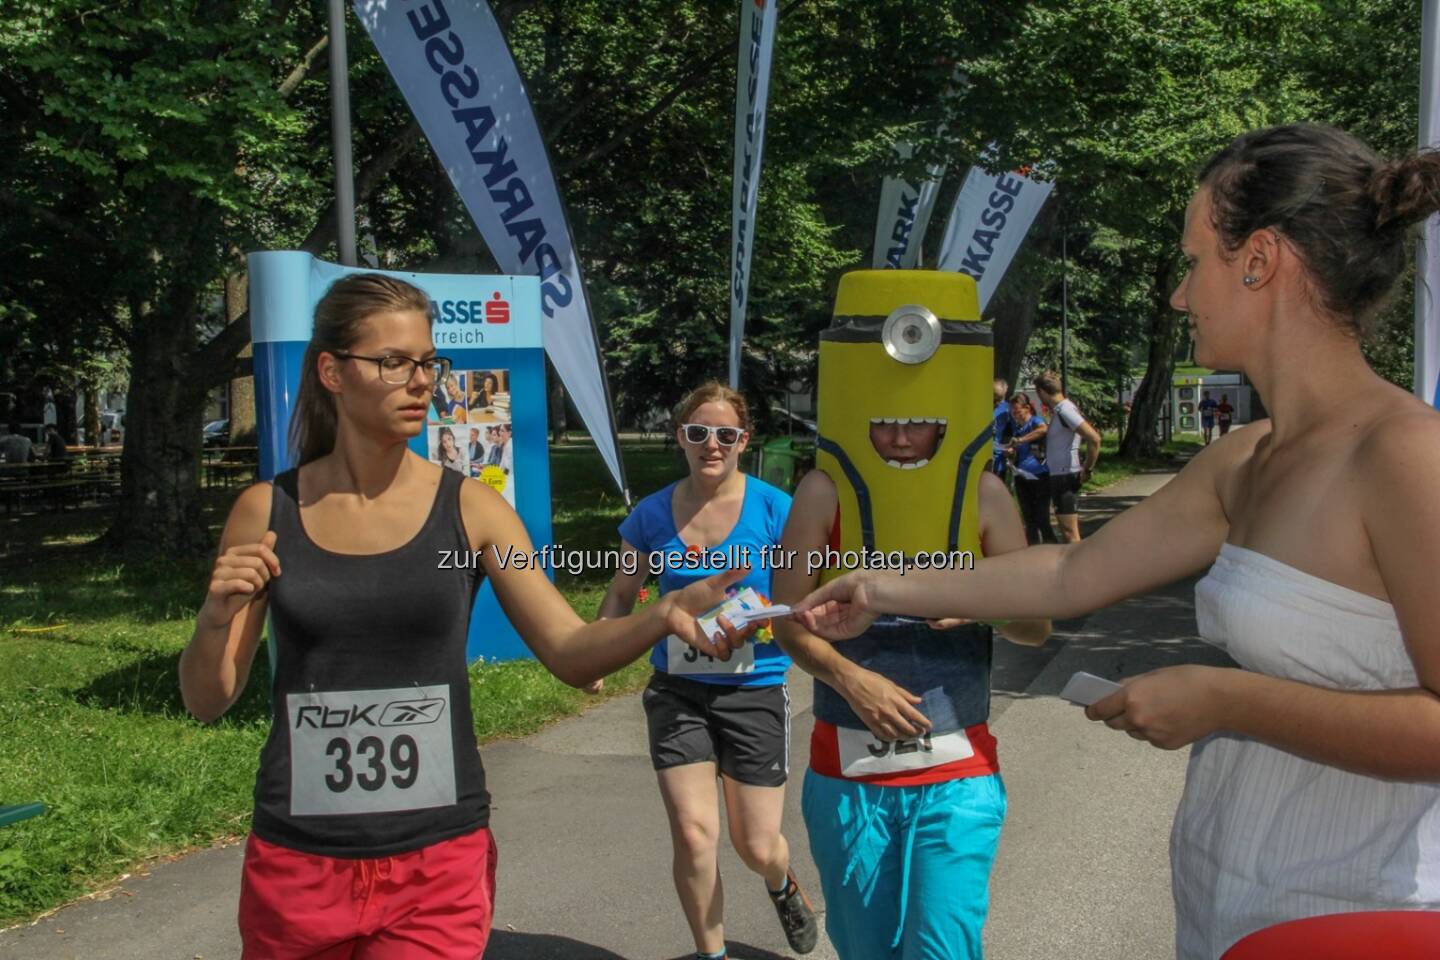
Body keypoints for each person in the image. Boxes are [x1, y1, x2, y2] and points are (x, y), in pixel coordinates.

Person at [791, 123, 1440, 959]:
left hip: (1358, 915)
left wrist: (1226, 700)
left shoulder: (1404, 454)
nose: (1178, 293)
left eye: (1193, 259)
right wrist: (878, 588)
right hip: (1228, 898)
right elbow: (1071, 573)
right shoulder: (1247, 456)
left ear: (1260, 260)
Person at [178, 273, 753, 960]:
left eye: (427, 361)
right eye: (393, 362)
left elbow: (569, 650)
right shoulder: (264, 511)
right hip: (300, 862)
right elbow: (208, 700)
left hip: (436, 863)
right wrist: (215, 618)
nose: (420, 381)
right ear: (332, 370)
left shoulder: (474, 510)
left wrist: (661, 615)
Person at [596, 381, 818, 960]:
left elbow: (808, 593)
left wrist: (773, 621)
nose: (711, 445)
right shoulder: (650, 515)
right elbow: (622, 594)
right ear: (681, 438)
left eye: (725, 434)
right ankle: (711, 954)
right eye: (698, 433)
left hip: (755, 687)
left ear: (743, 440)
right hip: (678, 690)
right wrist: (598, 647)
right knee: (695, 836)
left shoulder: (776, 509)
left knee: (757, 844)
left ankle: (782, 882)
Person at [1034, 372, 1100, 543]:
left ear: (1042, 392)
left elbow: (1094, 438)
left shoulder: (1065, 410)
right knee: (1066, 530)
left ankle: (1079, 568)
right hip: (1058, 474)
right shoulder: (1060, 410)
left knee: (1070, 533)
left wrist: (1088, 468)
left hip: (1065, 475)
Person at [1005, 393, 1056, 544]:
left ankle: (1051, 549)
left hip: (1039, 476)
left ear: (1027, 408)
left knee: (1042, 518)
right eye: (1013, 412)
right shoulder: (1018, 429)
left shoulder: (1035, 421)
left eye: (1017, 411)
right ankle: (1032, 551)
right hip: (1021, 477)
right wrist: (1011, 453)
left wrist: (1021, 440)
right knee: (1029, 520)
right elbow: (1019, 452)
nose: (1015, 415)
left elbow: (1043, 430)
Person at [990, 378, 1012, 480]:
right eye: (995, 398)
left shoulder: (1008, 409)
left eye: (1000, 398)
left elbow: (1012, 432)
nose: (997, 402)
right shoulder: (981, 405)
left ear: (1005, 391)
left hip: (999, 459)